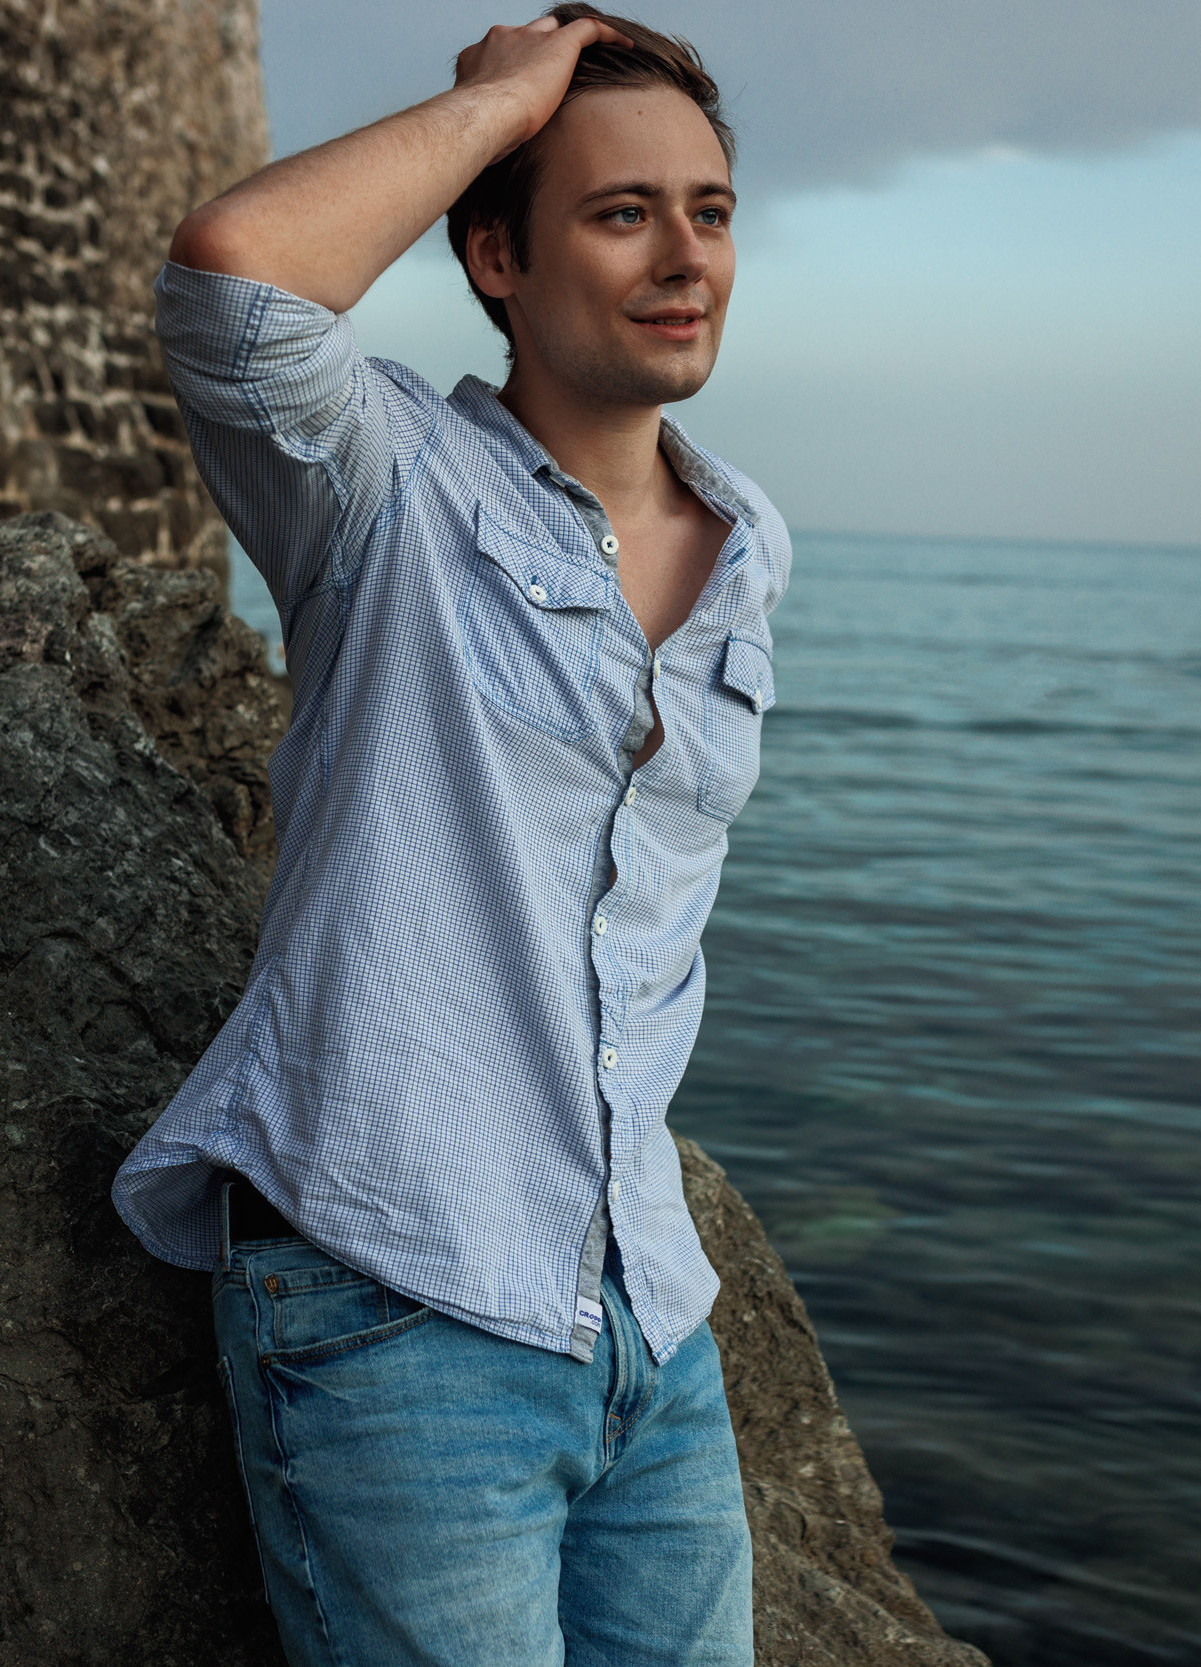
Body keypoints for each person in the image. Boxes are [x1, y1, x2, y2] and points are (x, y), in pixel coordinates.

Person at [111, 7, 786, 1663]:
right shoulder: (388, 484)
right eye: (620, 212)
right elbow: (237, 275)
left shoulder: (748, 542)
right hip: (398, 1306)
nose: (683, 256)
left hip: (648, 1320)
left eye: (708, 211)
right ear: (497, 254)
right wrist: (500, 102)